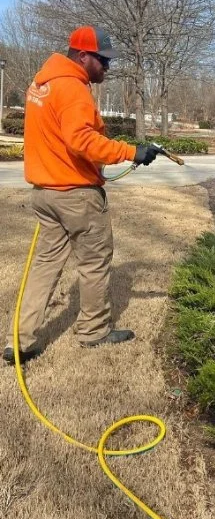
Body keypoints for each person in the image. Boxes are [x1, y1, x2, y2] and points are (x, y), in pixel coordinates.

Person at [4, 25, 159, 364]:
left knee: (44, 266)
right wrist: (132, 152)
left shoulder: (41, 84)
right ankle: (93, 332)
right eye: (103, 60)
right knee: (94, 263)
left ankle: (19, 340)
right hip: (76, 194)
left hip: (45, 193)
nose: (108, 67)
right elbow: (81, 141)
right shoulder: (72, 89)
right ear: (83, 56)